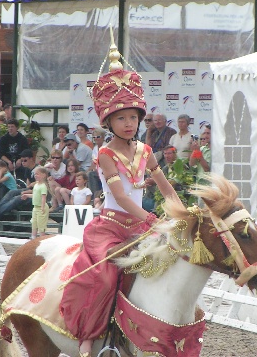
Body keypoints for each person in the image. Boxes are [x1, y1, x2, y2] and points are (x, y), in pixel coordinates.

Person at [60, 53, 183, 357]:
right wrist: (153, 219)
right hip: (112, 228)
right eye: (121, 118)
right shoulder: (104, 154)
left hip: (141, 226)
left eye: (133, 117)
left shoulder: (147, 151)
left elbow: (167, 189)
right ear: (109, 122)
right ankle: (88, 337)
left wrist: (183, 214)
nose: (129, 123)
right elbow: (125, 198)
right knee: (103, 276)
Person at [0, 149, 37, 221]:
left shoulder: (38, 170)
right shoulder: (27, 170)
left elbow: (41, 186)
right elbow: (28, 186)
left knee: (17, 198)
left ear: (31, 159)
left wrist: (28, 191)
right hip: (30, 191)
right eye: (22, 160)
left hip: (36, 194)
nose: (23, 163)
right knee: (12, 192)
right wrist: (27, 189)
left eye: (25, 160)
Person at [21, 166, 49, 239]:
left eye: (38, 174)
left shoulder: (43, 186)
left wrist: (42, 207)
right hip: (35, 207)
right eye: (35, 174)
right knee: (34, 223)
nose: (36, 175)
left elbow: (43, 197)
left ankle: (42, 237)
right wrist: (27, 195)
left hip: (41, 207)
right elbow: (35, 195)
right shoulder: (36, 185)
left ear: (43, 175)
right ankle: (33, 236)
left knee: (41, 224)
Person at [87, 128, 106, 195]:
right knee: (87, 174)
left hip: (106, 170)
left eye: (98, 137)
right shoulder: (95, 148)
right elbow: (94, 162)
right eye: (94, 137)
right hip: (98, 170)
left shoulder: (106, 147)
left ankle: (97, 195)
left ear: (103, 137)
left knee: (91, 174)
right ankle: (94, 195)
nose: (96, 138)